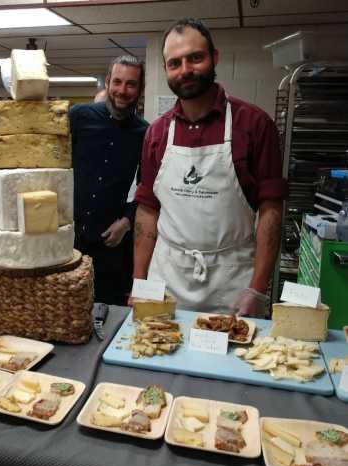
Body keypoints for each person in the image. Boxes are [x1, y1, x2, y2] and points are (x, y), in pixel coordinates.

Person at [133, 18, 288, 318]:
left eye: (196, 58)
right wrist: (140, 283)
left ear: (214, 58)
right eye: (174, 63)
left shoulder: (254, 124)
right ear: (166, 70)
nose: (186, 70)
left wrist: (257, 288)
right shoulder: (156, 134)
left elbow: (271, 209)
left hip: (232, 283)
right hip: (167, 279)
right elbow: (147, 211)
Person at [70, 55, 148, 305]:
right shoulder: (78, 117)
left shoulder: (146, 133)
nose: (122, 91)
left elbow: (148, 188)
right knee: (64, 307)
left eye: (131, 84)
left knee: (108, 313)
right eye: (117, 82)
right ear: (107, 82)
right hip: (67, 238)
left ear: (140, 89)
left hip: (111, 243)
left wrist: (126, 221)